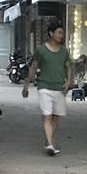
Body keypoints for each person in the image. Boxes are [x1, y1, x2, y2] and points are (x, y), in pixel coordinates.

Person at [22, 21, 72, 156]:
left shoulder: (64, 51)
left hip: (59, 87)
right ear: (51, 33)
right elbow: (33, 67)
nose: (61, 35)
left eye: (62, 33)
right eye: (59, 32)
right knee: (47, 115)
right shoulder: (41, 50)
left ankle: (48, 140)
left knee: (55, 117)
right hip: (44, 86)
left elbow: (68, 67)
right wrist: (27, 84)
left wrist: (68, 83)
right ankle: (50, 144)